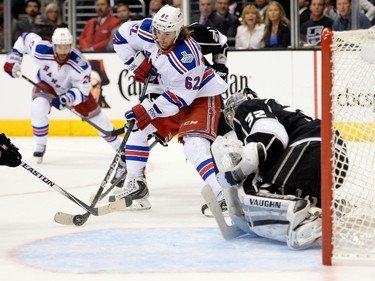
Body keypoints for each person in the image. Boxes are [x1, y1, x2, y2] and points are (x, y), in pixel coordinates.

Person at [110, 5, 228, 211]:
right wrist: (137, 64)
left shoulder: (187, 57)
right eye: (158, 31)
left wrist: (148, 110)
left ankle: (222, 192)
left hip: (199, 96)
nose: (160, 38)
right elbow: (119, 37)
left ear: (177, 31)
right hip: (170, 93)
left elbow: (180, 99)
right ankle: (136, 183)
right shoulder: (147, 30)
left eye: (167, 34)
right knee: (136, 127)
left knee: (194, 146)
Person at [210, 88, 348, 249]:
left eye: (231, 115)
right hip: (333, 152)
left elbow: (273, 135)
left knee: (266, 194)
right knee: (283, 194)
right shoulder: (273, 111)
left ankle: (309, 223)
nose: (232, 120)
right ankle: (325, 209)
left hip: (312, 144)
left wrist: (239, 170)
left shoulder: (247, 107)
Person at [3, 28, 122, 163]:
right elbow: (24, 37)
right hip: (47, 86)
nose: (63, 52)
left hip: (72, 91)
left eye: (66, 48)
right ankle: (40, 145)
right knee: (38, 107)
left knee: (99, 120)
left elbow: (82, 91)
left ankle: (120, 148)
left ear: (71, 46)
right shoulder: (41, 50)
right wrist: (13, 60)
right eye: (60, 47)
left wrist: (67, 98)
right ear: (53, 45)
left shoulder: (80, 64)